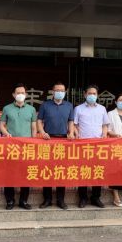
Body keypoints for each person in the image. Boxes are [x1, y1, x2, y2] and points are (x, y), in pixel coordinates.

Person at [37, 81, 75, 210]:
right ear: (52, 92)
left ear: (65, 92)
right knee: (47, 170)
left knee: (61, 171)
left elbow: (71, 121)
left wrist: (71, 132)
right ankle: (47, 199)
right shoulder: (45, 105)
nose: (59, 92)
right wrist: (42, 132)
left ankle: (60, 200)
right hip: (48, 140)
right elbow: (39, 121)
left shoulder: (69, 105)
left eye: (62, 90)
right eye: (57, 90)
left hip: (63, 140)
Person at [0, 83, 38, 210]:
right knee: (9, 173)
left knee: (26, 173)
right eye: (18, 93)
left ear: (26, 94)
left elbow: (34, 127)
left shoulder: (31, 109)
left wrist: (34, 143)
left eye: (22, 93)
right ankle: (10, 200)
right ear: (13, 95)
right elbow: (2, 125)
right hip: (11, 146)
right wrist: (6, 133)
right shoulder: (7, 108)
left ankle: (23, 200)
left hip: (27, 147)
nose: (20, 95)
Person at [73, 84, 109, 208]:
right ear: (85, 94)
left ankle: (95, 197)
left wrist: (104, 134)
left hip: (98, 146)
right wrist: (77, 134)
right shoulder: (78, 109)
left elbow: (105, 125)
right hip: (83, 145)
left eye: (94, 94)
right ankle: (83, 198)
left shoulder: (102, 109)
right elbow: (75, 125)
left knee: (97, 171)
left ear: (97, 95)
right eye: (90, 93)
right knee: (83, 171)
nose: (92, 95)